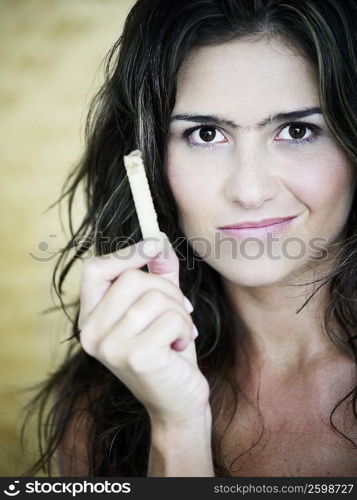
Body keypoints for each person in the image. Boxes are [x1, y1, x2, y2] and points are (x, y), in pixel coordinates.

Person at [24, 0, 357, 477]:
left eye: (298, 130)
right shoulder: (95, 409)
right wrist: (177, 427)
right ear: (151, 160)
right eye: (205, 134)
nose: (249, 191)